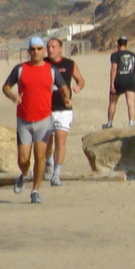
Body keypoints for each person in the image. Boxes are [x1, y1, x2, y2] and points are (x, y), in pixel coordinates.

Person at [2, 36, 65, 204]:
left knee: (40, 157)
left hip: (44, 120)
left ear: (43, 50)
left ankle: (35, 191)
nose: (35, 52)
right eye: (32, 49)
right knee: (23, 159)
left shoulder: (51, 70)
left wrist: (67, 99)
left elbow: (64, 87)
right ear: (28, 51)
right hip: (23, 120)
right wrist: (13, 96)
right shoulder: (20, 69)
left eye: (38, 49)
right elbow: (6, 87)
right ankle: (24, 174)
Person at [44, 37, 85, 186]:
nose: (50, 49)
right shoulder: (43, 63)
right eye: (48, 47)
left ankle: (56, 174)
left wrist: (78, 87)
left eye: (54, 46)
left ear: (61, 48)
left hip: (64, 108)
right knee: (47, 141)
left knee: (60, 141)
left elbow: (80, 80)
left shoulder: (69, 64)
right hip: (45, 108)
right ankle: (48, 163)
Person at [106, 37, 135, 128]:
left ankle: (110, 122)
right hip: (130, 80)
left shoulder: (115, 55)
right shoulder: (133, 55)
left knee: (113, 102)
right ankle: (131, 123)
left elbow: (114, 69)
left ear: (118, 45)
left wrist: (112, 83)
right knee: (131, 103)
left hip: (119, 80)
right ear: (126, 44)